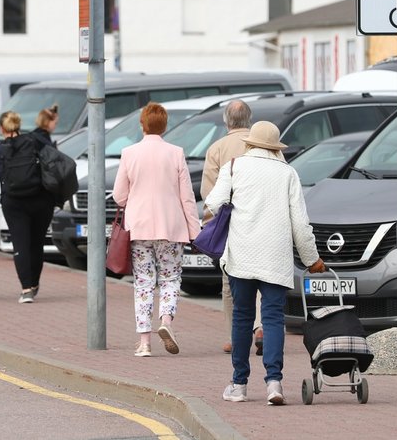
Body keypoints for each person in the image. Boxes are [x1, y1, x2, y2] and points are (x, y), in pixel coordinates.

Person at [204, 121, 324, 406]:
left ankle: (239, 384)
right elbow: (300, 223)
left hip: (241, 255)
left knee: (243, 317)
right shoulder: (288, 173)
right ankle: (274, 382)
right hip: (275, 258)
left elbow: (213, 202)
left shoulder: (234, 166)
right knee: (272, 319)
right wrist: (312, 259)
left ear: (250, 143)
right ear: (275, 147)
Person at [113, 102, 201, 358]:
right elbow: (187, 197)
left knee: (143, 282)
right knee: (170, 278)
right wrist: (194, 231)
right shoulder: (176, 153)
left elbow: (119, 196)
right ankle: (166, 322)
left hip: (139, 227)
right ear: (165, 126)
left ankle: (144, 343)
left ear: (142, 124)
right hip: (171, 227)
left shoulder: (129, 153)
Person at [200, 100, 262, 355]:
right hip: (261, 219)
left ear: (226, 121)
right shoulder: (263, 145)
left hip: (231, 223)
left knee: (230, 282)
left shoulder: (216, 148)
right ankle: (260, 327)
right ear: (249, 119)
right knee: (261, 276)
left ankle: (235, 336)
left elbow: (209, 192)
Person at [0, 107, 58, 303]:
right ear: (19, 125)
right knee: (36, 244)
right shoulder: (37, 141)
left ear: (2, 128)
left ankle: (26, 289)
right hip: (41, 200)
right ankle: (34, 284)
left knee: (21, 245)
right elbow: (54, 163)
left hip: (14, 203)